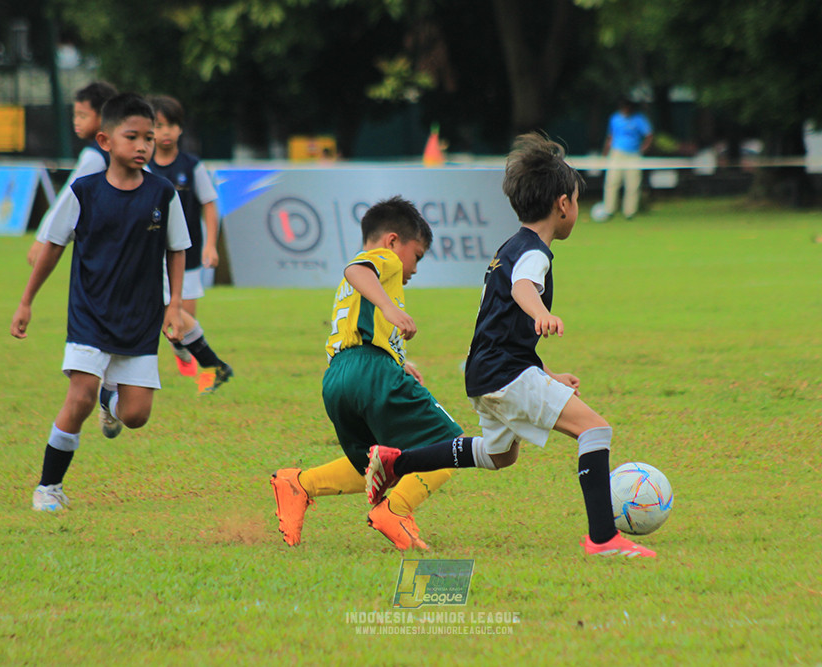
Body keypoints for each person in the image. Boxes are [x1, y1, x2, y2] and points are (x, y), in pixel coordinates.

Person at [366, 133, 656, 558]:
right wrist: (541, 311)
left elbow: (504, 327)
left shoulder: (509, 248)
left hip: (486, 371)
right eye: (576, 200)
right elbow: (522, 290)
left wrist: (546, 375)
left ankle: (397, 461)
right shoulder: (534, 254)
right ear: (563, 205)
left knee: (500, 455)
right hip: (502, 373)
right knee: (594, 429)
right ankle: (603, 539)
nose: (576, 209)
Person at [11, 93, 191, 512]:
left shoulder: (163, 194)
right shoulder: (83, 192)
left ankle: (113, 401)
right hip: (90, 314)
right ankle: (48, 487)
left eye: (148, 137)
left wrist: (174, 303)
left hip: (140, 319)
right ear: (106, 141)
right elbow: (53, 247)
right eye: (133, 137)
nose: (144, 145)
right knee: (79, 397)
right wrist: (26, 302)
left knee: (137, 416)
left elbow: (177, 248)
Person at [270, 196, 461, 550]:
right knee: (449, 447)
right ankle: (395, 510)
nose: (415, 269)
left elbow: (362, 327)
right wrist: (390, 309)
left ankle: (300, 484)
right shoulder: (383, 259)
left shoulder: (368, 286)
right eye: (416, 256)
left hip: (339, 377)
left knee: (375, 465)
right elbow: (356, 270)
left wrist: (400, 364)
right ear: (392, 241)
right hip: (369, 372)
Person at [147, 95, 233, 392]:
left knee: (184, 320)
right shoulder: (143, 166)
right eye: (159, 125)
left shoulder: (192, 165)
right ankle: (206, 365)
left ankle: (207, 373)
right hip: (155, 255)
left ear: (180, 129)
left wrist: (211, 245)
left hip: (189, 254)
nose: (165, 132)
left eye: (171, 125)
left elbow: (210, 204)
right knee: (168, 315)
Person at [27, 81, 118, 267]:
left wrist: (44, 237)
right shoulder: (124, 147)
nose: (76, 121)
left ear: (104, 117)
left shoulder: (96, 156)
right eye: (75, 115)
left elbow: (69, 198)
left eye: (83, 116)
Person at [601, 98, 653, 220]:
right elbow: (610, 136)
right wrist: (606, 152)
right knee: (612, 182)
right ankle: (609, 210)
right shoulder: (615, 118)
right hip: (617, 153)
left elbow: (649, 135)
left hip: (633, 154)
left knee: (633, 184)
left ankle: (630, 212)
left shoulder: (639, 119)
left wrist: (643, 148)